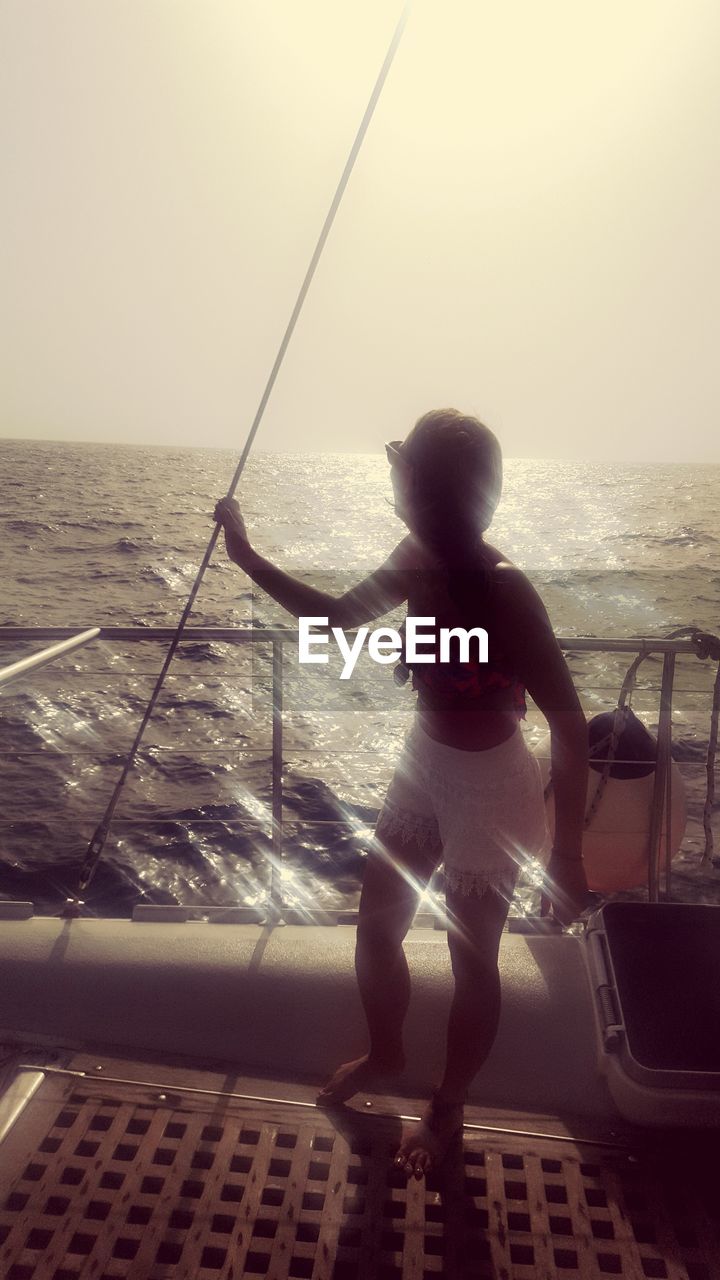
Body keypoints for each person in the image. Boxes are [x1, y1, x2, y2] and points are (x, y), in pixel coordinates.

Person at [214, 408, 589, 1180]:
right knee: (376, 926)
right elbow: (332, 618)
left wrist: (571, 858)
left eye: (402, 469)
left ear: (427, 487)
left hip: (492, 788)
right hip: (425, 762)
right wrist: (245, 554)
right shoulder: (415, 555)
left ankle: (448, 1105)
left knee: (472, 957)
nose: (393, 480)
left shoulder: (508, 590)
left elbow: (570, 723)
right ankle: (387, 1053)